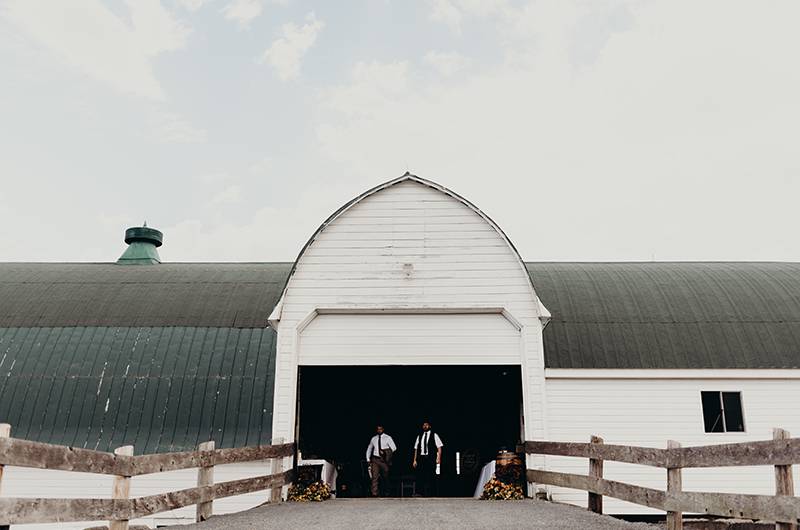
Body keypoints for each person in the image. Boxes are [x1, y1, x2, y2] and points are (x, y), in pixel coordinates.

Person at [412, 421, 443, 496]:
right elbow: (416, 448)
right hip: (421, 458)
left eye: (426, 425)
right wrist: (414, 460)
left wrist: (438, 458)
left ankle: (433, 493)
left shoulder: (434, 435)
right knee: (420, 476)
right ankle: (419, 493)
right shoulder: (419, 436)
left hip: (430, 458)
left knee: (431, 475)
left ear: (429, 426)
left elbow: (439, 447)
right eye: (424, 425)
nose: (425, 426)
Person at [365, 424, 396, 497]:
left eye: (380, 429)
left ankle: (387, 491)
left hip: (384, 460)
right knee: (374, 477)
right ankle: (374, 493)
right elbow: (369, 448)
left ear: (383, 429)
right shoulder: (374, 438)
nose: (379, 430)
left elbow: (394, 448)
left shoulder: (388, 438)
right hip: (375, 459)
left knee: (385, 476)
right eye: (378, 429)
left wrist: (385, 451)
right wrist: (368, 459)